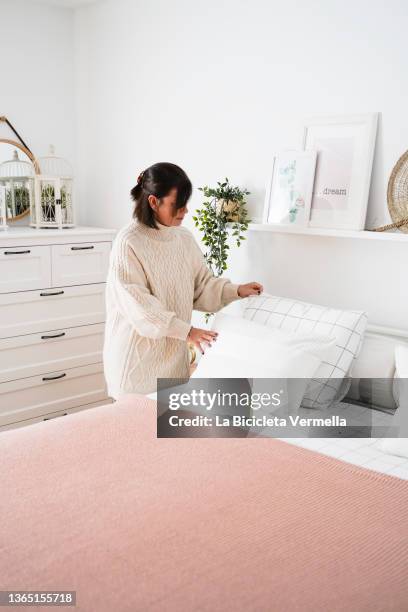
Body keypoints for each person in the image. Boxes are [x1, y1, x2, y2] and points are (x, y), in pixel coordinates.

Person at [103, 162, 263, 397]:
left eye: (186, 203)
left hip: (172, 366)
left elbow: (201, 286)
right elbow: (139, 306)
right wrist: (187, 331)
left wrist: (236, 290)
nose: (185, 210)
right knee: (134, 431)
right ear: (154, 202)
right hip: (135, 365)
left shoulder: (183, 239)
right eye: (177, 204)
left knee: (168, 429)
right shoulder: (129, 241)